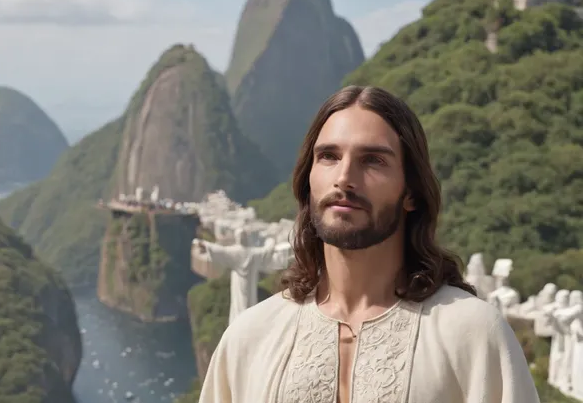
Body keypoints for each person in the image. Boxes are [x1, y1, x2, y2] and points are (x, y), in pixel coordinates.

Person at [198, 86, 540, 403]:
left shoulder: (474, 335)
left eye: (373, 160)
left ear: (410, 192)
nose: (344, 177)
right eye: (329, 156)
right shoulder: (249, 339)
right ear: (308, 181)